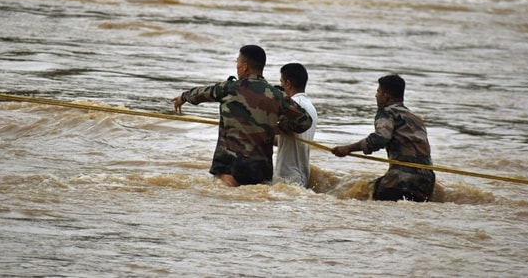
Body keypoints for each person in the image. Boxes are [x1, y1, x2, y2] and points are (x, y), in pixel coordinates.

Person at [172, 45, 313, 187]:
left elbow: (201, 93)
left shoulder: (228, 88)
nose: (237, 66)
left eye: (237, 62)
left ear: (245, 67)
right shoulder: (277, 95)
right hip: (261, 171)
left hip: (230, 166)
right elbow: (305, 121)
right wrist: (280, 127)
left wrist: (183, 97)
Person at [331, 74, 435, 202]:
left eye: (378, 91)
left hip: (400, 181)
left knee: (362, 197)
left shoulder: (387, 112)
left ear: (386, 96)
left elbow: (380, 138)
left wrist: (348, 148)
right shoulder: (416, 118)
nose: (376, 95)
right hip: (427, 183)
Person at [273, 63, 318, 188]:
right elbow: (287, 137)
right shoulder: (311, 108)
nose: (281, 85)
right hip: (302, 175)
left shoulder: (292, 107)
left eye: (281, 81)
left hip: (287, 176)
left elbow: (276, 129)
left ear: (288, 83)